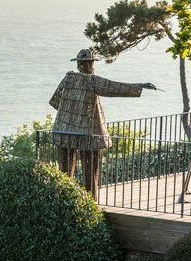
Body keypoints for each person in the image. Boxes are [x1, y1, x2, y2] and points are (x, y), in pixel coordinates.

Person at [49, 48, 156, 198]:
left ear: (78, 64)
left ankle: (63, 198)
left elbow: (54, 101)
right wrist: (140, 85)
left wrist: (70, 113)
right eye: (90, 63)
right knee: (90, 169)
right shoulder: (92, 81)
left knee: (65, 171)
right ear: (91, 64)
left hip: (63, 130)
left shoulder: (68, 78)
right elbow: (114, 88)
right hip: (87, 134)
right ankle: (90, 201)